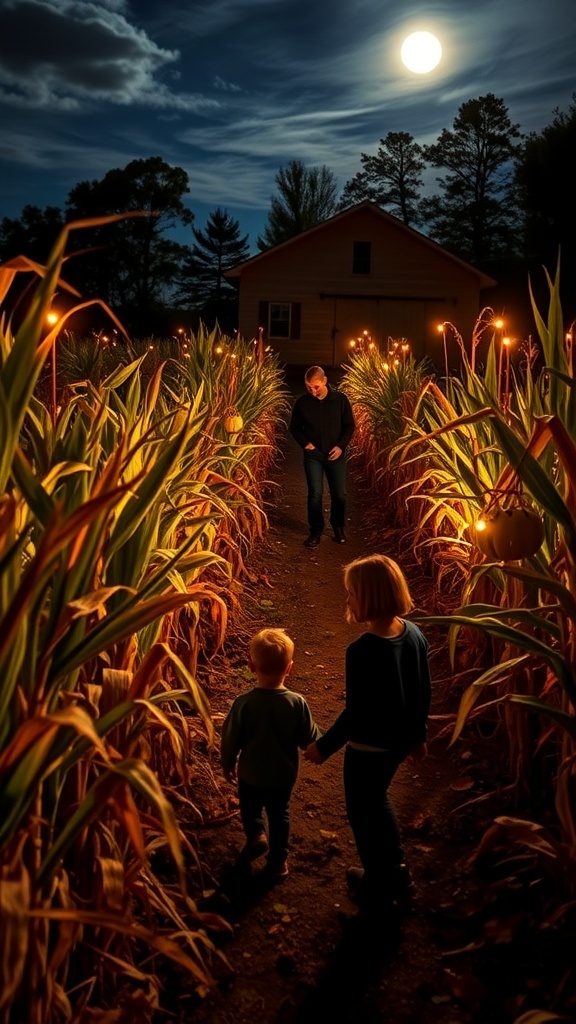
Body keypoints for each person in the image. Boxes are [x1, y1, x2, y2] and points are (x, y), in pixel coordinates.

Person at [304, 554, 431, 922]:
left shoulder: (361, 651)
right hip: (396, 745)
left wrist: (322, 748)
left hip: (368, 748)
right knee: (378, 803)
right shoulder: (414, 634)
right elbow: (423, 690)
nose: (347, 600)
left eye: (352, 594)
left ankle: (377, 884)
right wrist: (418, 736)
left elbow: (356, 713)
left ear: (370, 597)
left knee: (362, 812)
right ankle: (397, 875)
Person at [221, 627, 321, 880]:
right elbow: (308, 737)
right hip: (282, 776)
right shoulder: (297, 703)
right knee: (280, 815)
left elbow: (231, 738)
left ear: (250, 665)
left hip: (251, 773)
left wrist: (227, 763)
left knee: (250, 809)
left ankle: (256, 834)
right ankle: (278, 862)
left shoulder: (243, 704)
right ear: (289, 668)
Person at [288, 365, 355, 548]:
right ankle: (315, 530)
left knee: (339, 494)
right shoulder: (303, 403)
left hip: (336, 454)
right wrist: (305, 443)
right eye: (309, 387)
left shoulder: (340, 400)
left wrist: (341, 447)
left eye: (316, 387)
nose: (312, 391)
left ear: (324, 381)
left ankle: (338, 527)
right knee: (315, 493)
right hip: (314, 455)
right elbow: (294, 427)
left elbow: (349, 425)